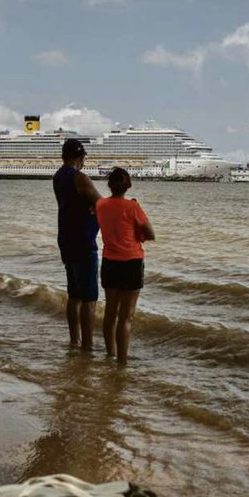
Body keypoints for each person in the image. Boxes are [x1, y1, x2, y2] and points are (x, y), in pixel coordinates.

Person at [95, 167, 154, 364]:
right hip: (131, 262)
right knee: (126, 317)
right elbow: (151, 234)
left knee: (110, 313)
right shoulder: (133, 207)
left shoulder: (100, 205)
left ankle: (110, 353)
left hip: (110, 262)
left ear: (109, 184)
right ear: (128, 185)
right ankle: (122, 361)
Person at [52, 138, 101, 350]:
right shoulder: (79, 177)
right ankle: (88, 347)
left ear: (63, 156)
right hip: (83, 240)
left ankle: (75, 340)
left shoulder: (58, 177)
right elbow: (101, 203)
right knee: (89, 299)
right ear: (80, 158)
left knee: (74, 295)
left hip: (66, 238)